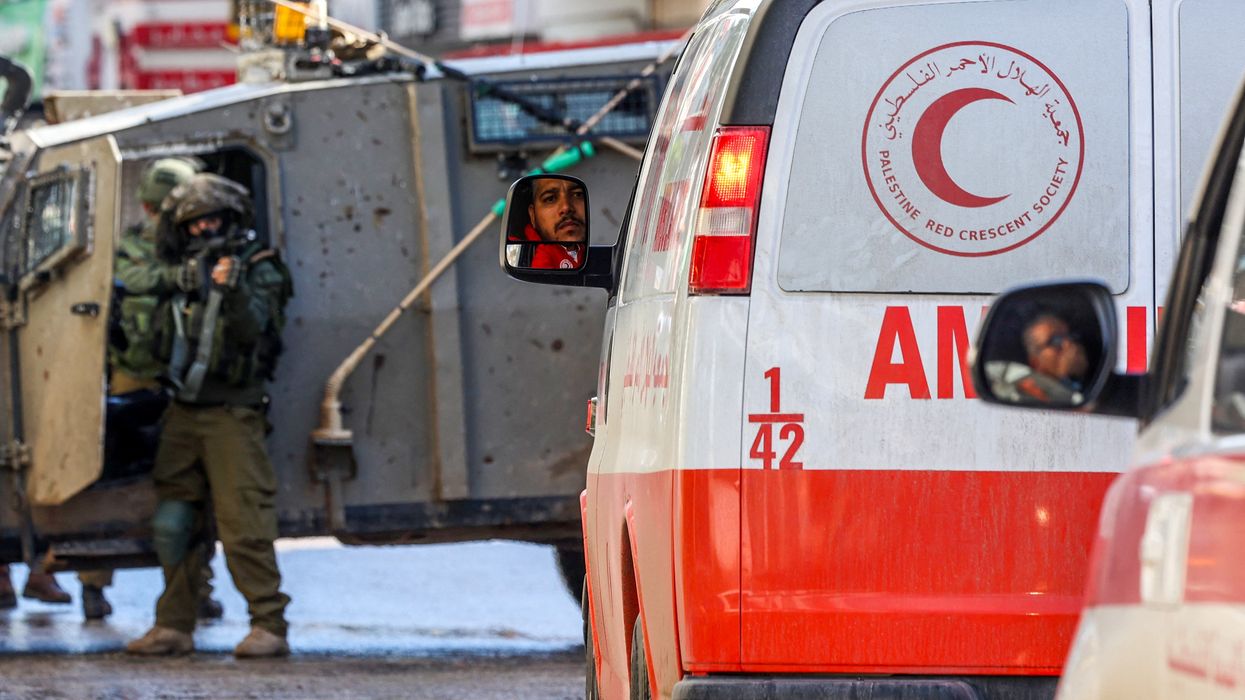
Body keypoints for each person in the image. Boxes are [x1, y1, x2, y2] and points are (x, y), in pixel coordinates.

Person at [125, 174, 293, 658]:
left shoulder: (259, 267)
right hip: (184, 411)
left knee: (244, 523)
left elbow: (254, 330)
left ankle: (269, 623)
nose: (206, 230)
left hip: (231, 414)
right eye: (195, 223)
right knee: (174, 522)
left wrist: (232, 291)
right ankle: (174, 624)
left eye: (214, 219)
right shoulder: (180, 271)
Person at [989, 313, 1090, 405]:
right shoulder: (1031, 391)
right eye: (1055, 341)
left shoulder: (1084, 383)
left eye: (1070, 336)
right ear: (1035, 361)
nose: (1068, 344)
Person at [521, 177, 587, 269]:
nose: (566, 207)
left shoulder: (584, 249)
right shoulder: (542, 258)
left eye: (577, 194)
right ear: (533, 215)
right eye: (550, 199)